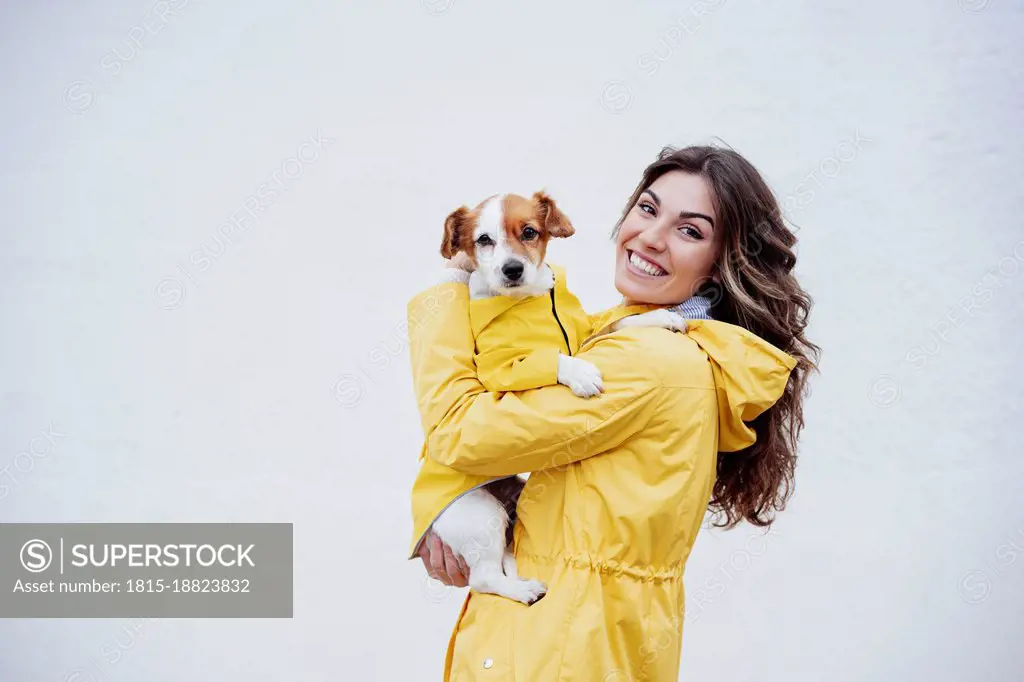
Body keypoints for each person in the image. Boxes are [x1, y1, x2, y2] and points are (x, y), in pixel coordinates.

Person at [408, 144, 819, 681]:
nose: (651, 236)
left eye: (689, 230)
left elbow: (459, 434)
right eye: (647, 209)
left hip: (555, 648)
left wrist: (451, 285)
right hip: (584, 635)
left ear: (724, 263)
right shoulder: (657, 342)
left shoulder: (650, 363)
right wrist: (475, 518)